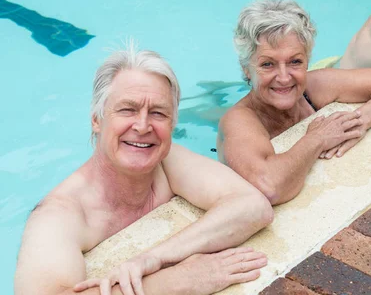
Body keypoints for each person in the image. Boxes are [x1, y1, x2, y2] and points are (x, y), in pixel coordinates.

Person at [14, 45, 274, 295]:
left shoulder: (165, 160)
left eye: (158, 113)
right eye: (127, 109)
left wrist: (155, 257)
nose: (142, 126)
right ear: (97, 119)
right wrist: (174, 283)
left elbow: (253, 206)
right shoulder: (58, 215)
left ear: (173, 124)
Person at [217, 0, 371, 206]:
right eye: (267, 64)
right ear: (246, 69)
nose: (283, 77)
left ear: (307, 60)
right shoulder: (239, 120)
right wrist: (316, 139)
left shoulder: (316, 86)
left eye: (295, 62)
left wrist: (361, 120)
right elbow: (270, 187)